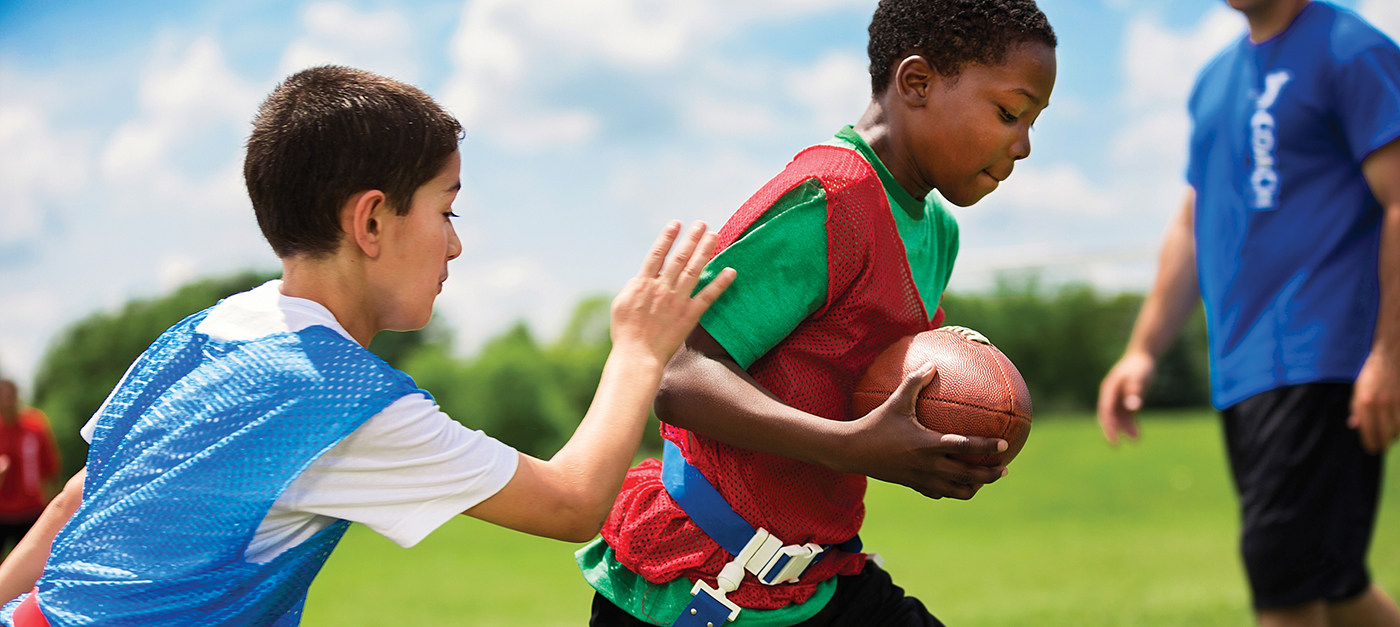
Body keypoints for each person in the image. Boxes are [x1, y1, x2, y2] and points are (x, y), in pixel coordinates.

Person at [0, 65, 734, 626]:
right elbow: (572, 502)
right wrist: (638, 349)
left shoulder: (196, 333)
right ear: (372, 223)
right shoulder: (342, 400)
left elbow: (74, 502)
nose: (455, 243)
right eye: (446, 209)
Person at [579, 1, 1057, 625]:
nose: (1023, 145)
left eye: (1033, 122)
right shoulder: (830, 196)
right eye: (1008, 113)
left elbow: (858, 388)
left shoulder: (938, 230)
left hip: (820, 578)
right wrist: (852, 447)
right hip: (701, 578)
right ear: (916, 83)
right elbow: (679, 377)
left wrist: (923, 447)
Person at [1096, 1, 1400, 626]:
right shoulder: (1213, 81)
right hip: (1243, 369)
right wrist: (1143, 349)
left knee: (1282, 584)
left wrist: (1389, 355)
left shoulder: (1352, 50)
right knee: (1334, 587)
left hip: (1319, 357)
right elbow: (1191, 224)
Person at [0, 381, 58, 558]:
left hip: (30, 509)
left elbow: (50, 467)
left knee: (31, 566)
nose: (7, 401)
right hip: (1, 510)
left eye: (10, 396)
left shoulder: (34, 425)